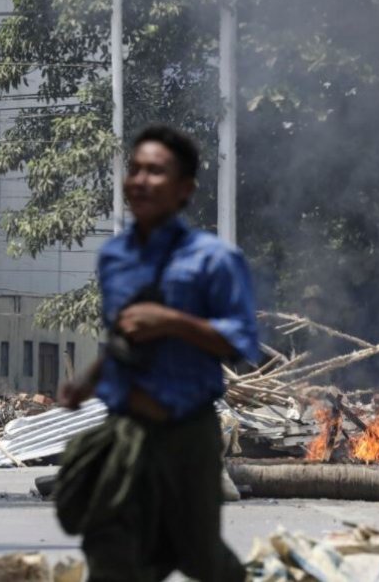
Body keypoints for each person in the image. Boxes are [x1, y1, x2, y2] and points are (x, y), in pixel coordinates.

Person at [59, 124, 258, 582]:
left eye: (155, 171)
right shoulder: (114, 258)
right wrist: (85, 383)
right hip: (127, 430)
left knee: (200, 556)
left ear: (184, 188)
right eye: (135, 169)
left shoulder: (215, 260)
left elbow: (241, 340)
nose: (139, 180)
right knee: (111, 551)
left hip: (187, 432)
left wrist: (172, 322)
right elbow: (124, 341)